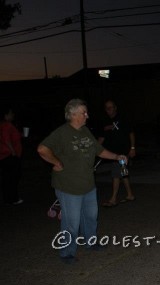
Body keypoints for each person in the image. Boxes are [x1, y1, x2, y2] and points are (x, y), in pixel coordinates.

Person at [37, 99, 128, 264]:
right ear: (72, 115)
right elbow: (42, 149)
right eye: (83, 113)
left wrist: (116, 156)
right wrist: (56, 162)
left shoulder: (85, 131)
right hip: (68, 186)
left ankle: (90, 243)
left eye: (86, 112)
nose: (87, 115)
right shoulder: (62, 133)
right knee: (71, 222)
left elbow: (99, 150)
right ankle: (66, 252)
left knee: (91, 217)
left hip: (88, 184)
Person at [98, 100, 136, 207]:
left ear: (115, 108)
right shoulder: (105, 121)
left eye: (111, 107)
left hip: (122, 153)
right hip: (112, 153)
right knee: (123, 173)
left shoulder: (123, 119)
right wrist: (95, 149)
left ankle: (113, 199)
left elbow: (131, 133)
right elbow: (101, 137)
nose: (109, 110)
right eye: (107, 108)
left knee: (115, 174)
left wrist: (132, 148)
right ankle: (130, 195)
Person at [0, 106, 23, 205]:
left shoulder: (5, 125)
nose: (13, 115)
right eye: (11, 113)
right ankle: (12, 198)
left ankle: (9, 198)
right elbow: (6, 139)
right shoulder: (6, 125)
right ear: (6, 115)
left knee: (8, 177)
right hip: (8, 155)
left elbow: (12, 137)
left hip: (5, 155)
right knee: (12, 177)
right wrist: (13, 151)